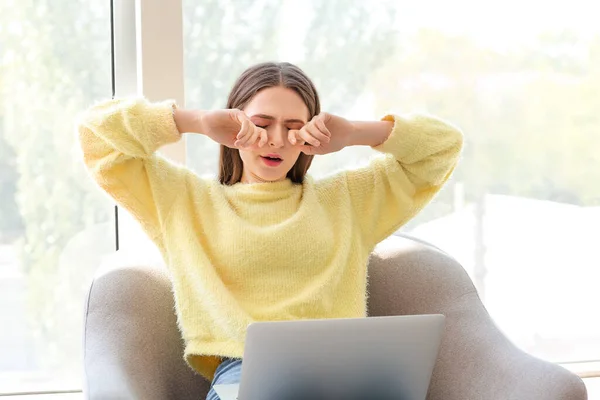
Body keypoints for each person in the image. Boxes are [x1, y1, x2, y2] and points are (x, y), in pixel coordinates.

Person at [77, 61, 463, 399]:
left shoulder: (347, 200)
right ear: (234, 124)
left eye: (294, 127)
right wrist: (195, 122)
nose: (276, 139)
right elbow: (97, 136)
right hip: (242, 378)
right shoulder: (183, 200)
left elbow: (443, 147)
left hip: (343, 380)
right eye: (262, 124)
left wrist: (356, 133)